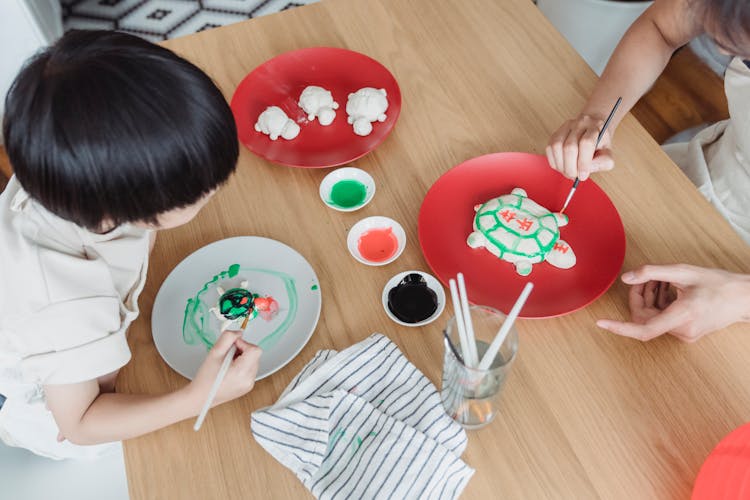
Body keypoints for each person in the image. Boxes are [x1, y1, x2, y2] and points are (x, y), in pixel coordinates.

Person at [0, 30, 261, 459]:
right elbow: (81, 423)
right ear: (116, 209)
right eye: (200, 192)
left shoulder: (66, 171)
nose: (214, 189)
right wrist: (199, 397)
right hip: (57, 404)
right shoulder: (58, 303)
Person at [546, 0, 750, 343]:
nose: (716, 48)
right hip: (689, 179)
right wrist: (599, 117)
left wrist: (738, 297)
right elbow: (661, 27)